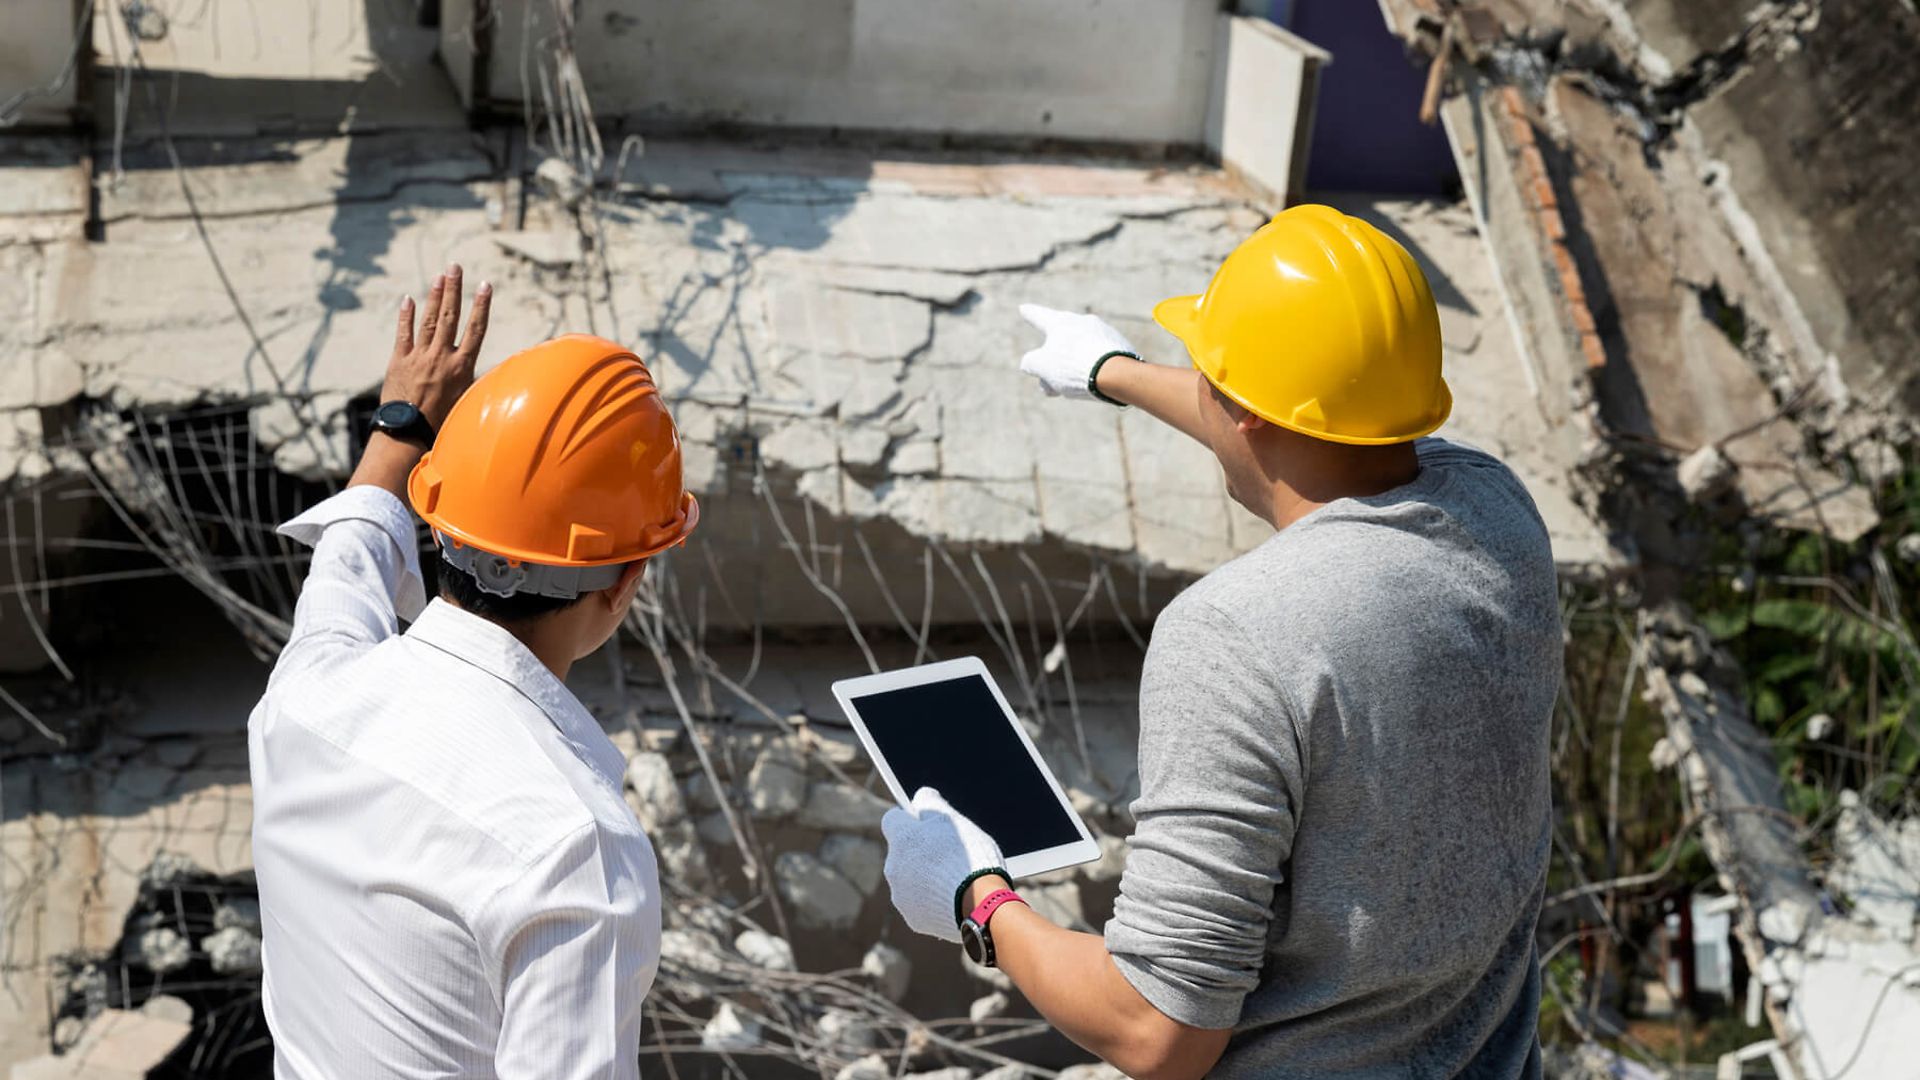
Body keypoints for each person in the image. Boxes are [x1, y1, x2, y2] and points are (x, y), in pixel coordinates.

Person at [878, 206, 1560, 1079]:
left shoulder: (1237, 634)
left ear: (1241, 409)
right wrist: (1113, 372)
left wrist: (978, 896)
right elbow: (1323, 434)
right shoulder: (1496, 513)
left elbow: (1156, 1031)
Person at [247, 266, 699, 1079]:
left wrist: (401, 423)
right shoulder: (575, 848)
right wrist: (405, 428)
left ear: (442, 525)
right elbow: (354, 555)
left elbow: (351, 554)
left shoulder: (310, 695)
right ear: (627, 579)